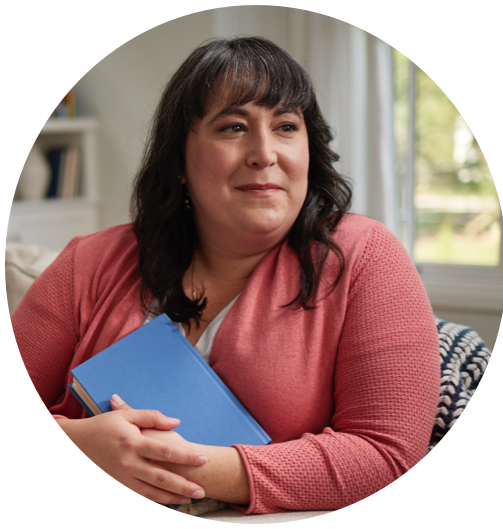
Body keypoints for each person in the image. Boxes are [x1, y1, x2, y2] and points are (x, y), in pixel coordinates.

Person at [12, 36, 440, 514]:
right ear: (179, 160)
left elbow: (390, 456)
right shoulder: (87, 263)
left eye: (285, 127)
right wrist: (81, 443)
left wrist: (182, 466)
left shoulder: (363, 256)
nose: (264, 153)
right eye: (234, 126)